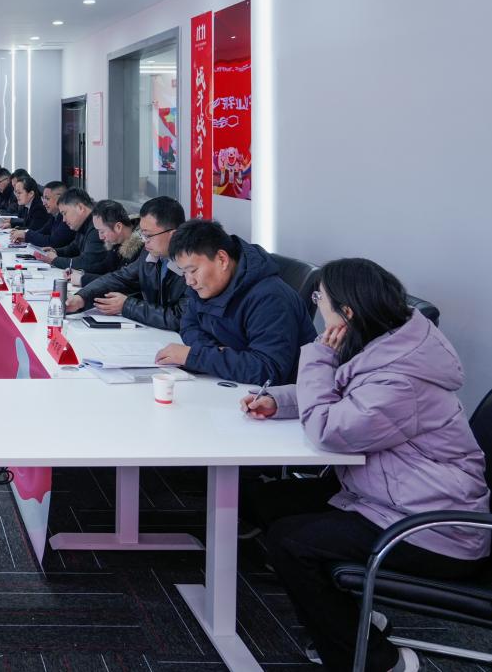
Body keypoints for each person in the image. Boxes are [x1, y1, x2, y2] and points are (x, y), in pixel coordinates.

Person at [240, 258, 489, 672]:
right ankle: (349, 616)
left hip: (434, 526)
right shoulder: (387, 344)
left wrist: (319, 355)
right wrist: (277, 401)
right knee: (267, 501)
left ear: (347, 313)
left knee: (290, 541)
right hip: (391, 492)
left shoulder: (400, 379)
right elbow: (344, 393)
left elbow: (328, 430)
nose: (317, 306)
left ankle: (378, 661)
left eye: (320, 299)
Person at [156, 218, 315, 384]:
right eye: (184, 273)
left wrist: (196, 356)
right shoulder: (205, 286)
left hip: (274, 395)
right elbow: (189, 325)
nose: (189, 281)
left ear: (222, 259)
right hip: (228, 383)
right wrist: (214, 354)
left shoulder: (270, 298)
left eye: (193, 270)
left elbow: (268, 370)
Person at [68, 195, 188, 330]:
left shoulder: (191, 267)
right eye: (142, 234)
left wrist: (127, 306)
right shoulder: (150, 256)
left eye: (148, 235)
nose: (144, 241)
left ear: (173, 235)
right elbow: (119, 278)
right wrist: (81, 298)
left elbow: (179, 317)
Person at [34, 188, 111, 282]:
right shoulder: (84, 223)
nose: (63, 220)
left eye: (65, 213)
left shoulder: (97, 227)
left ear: (80, 208)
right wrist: (56, 251)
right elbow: (74, 247)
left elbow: (87, 262)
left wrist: (55, 260)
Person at [78, 199, 143, 284]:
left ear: (118, 227)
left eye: (102, 231)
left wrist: (83, 279)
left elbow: (122, 282)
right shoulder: (116, 243)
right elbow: (105, 266)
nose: (100, 237)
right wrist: (81, 272)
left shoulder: (142, 249)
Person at [13, 180, 68, 246]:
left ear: (60, 199)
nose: (44, 203)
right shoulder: (54, 215)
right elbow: (42, 232)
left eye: (47, 199)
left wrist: (27, 235)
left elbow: (53, 241)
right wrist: (25, 238)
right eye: (43, 198)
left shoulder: (66, 218)